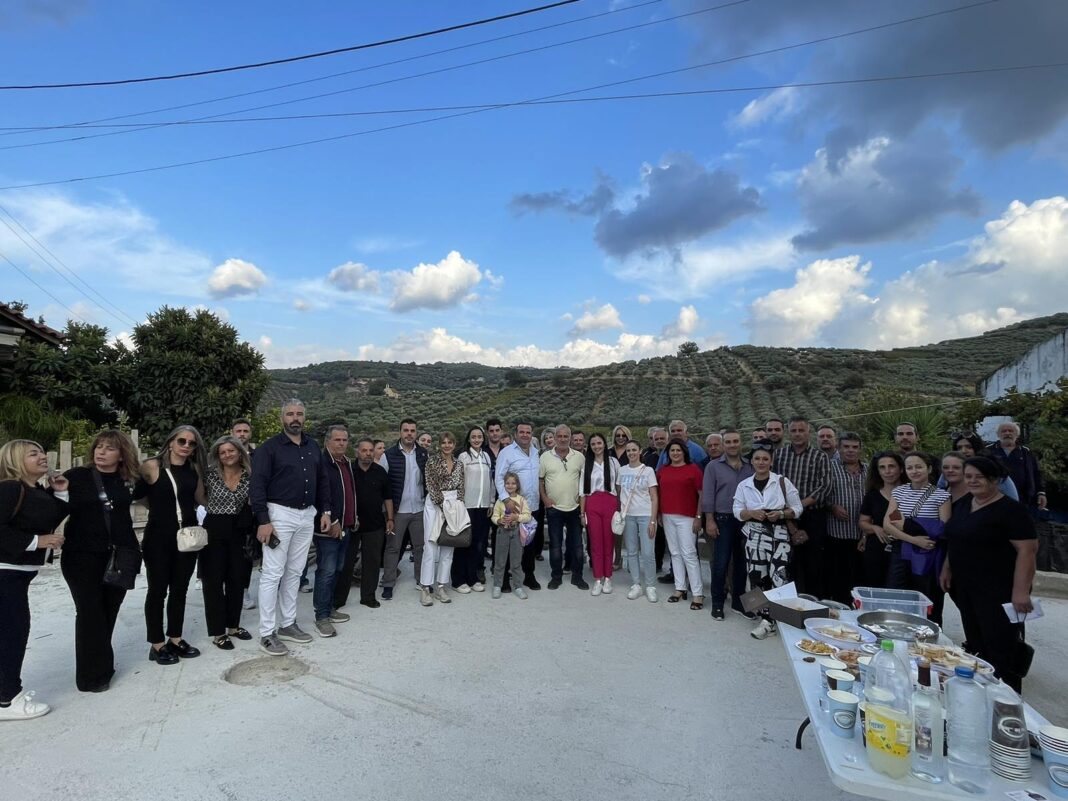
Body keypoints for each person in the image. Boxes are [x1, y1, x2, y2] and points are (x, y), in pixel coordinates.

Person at [940, 456, 1037, 693]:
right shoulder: (964, 504)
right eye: (969, 476)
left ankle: (1005, 698)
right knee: (976, 642)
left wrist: (1020, 591)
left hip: (998, 590)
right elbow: (956, 538)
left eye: (979, 477)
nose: (973, 481)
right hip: (966, 586)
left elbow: (1027, 550)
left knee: (1001, 647)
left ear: (995, 479)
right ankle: (980, 692)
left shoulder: (1011, 510)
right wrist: (947, 567)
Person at [250, 399, 332, 656]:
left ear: (304, 418)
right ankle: (266, 633)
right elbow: (257, 486)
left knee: (295, 573)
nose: (295, 418)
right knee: (273, 574)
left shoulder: (312, 447)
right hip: (279, 514)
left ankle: (287, 624)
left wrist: (326, 511)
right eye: (290, 414)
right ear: (282, 418)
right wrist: (264, 520)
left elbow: (322, 481)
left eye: (299, 414)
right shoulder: (269, 448)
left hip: (307, 515)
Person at [61, 430, 139, 692]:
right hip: (81, 555)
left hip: (121, 553)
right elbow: (52, 507)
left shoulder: (128, 479)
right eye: (98, 446)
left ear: (122, 454)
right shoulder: (76, 477)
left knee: (108, 611)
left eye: (109, 448)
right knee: (89, 612)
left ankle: (102, 666)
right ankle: (90, 678)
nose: (101, 452)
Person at [0, 440, 67, 719]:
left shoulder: (31, 489)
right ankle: (8, 700)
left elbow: (50, 513)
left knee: (11, 632)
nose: (42, 457)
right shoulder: (9, 488)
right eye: (33, 454)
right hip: (5, 572)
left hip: (16, 573)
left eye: (41, 452)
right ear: (16, 460)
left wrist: (61, 492)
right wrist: (35, 541)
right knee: (12, 634)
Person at [134, 425, 207, 665]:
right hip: (158, 537)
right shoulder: (152, 466)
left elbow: (199, 499)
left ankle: (175, 638)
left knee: (180, 589)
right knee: (157, 590)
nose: (186, 446)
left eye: (192, 443)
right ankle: (156, 644)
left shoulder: (193, 468)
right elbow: (139, 496)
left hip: (186, 537)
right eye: (182, 441)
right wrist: (160, 510)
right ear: (171, 442)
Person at [733, 441, 803, 640]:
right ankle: (764, 619)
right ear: (752, 462)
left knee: (780, 575)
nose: (761, 462)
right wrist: (750, 512)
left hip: (779, 534)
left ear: (771, 461)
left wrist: (780, 513)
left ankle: (780, 619)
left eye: (765, 459)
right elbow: (736, 511)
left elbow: (798, 508)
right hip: (753, 535)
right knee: (756, 575)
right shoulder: (744, 485)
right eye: (757, 459)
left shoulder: (782, 481)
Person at [883, 452, 951, 624]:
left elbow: (942, 528)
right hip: (902, 550)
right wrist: (915, 538)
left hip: (927, 552)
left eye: (919, 466)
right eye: (910, 467)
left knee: (926, 596)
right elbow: (888, 524)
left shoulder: (941, 495)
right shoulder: (899, 491)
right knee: (897, 592)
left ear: (928, 468)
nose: (914, 471)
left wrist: (904, 523)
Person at [200, 435, 254, 650]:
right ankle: (218, 632)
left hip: (239, 531)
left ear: (240, 452)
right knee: (213, 582)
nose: (227, 455)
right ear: (217, 456)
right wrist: (215, 506)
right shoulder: (210, 474)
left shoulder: (250, 475)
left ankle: (233, 625)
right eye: (222, 452)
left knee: (237, 579)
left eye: (231, 450)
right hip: (214, 529)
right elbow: (199, 496)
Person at [774, 416, 830, 599]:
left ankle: (812, 605)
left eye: (801, 430)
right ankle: (787, 604)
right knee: (787, 562)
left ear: (808, 432)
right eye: (794, 431)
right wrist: (789, 516)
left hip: (813, 516)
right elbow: (774, 485)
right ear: (788, 432)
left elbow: (825, 487)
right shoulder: (779, 456)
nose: (797, 434)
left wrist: (798, 506)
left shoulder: (820, 456)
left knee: (814, 564)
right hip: (784, 516)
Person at [702, 429, 755, 620]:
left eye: (736, 441)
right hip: (722, 520)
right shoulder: (713, 467)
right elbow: (707, 495)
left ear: (741, 443)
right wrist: (709, 520)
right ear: (724, 445)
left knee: (742, 564)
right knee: (720, 563)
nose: (732, 445)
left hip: (745, 520)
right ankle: (717, 603)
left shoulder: (750, 467)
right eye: (729, 442)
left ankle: (739, 603)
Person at [311, 425, 357, 638]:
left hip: (346, 526)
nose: (341, 443)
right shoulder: (322, 463)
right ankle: (321, 617)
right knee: (326, 571)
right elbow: (321, 495)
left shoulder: (346, 463)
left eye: (344, 440)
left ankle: (329, 609)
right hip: (329, 528)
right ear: (327, 441)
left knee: (337, 569)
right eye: (337, 440)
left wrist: (351, 519)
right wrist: (334, 520)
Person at [656, 438, 705, 610]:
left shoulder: (694, 470)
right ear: (667, 454)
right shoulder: (663, 470)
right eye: (672, 451)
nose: (675, 453)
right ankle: (680, 588)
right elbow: (659, 494)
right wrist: (659, 514)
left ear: (684, 452)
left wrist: (699, 516)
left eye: (678, 450)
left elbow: (701, 494)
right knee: (675, 553)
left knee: (689, 554)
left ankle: (698, 593)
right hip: (668, 516)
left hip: (687, 517)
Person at [383, 419, 428, 599]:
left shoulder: (423, 454)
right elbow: (383, 485)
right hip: (398, 512)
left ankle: (421, 580)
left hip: (419, 510)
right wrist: (388, 515)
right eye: (406, 430)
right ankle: (388, 583)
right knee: (392, 548)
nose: (409, 433)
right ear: (400, 432)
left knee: (420, 548)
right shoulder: (389, 455)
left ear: (416, 433)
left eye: (412, 430)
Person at [420, 432, 465, 606]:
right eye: (443, 442)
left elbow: (461, 486)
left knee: (449, 546)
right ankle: (425, 587)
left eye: (450, 442)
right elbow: (430, 484)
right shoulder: (432, 461)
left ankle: (441, 586)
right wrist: (442, 505)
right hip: (435, 505)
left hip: (454, 505)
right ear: (439, 445)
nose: (447, 445)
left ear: (454, 444)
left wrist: (458, 506)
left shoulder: (459, 464)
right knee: (430, 546)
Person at [495, 423, 541, 591]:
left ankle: (529, 576)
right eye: (521, 432)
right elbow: (499, 477)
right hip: (512, 504)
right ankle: (505, 579)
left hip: (531, 506)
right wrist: (506, 500)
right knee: (508, 543)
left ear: (532, 434)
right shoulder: (506, 453)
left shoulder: (536, 452)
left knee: (528, 542)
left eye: (528, 432)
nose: (525, 435)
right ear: (515, 434)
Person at [540, 424, 586, 591]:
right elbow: (541, 480)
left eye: (566, 436)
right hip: (554, 508)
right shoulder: (545, 457)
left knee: (577, 545)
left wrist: (582, 507)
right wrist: (544, 498)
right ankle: (556, 577)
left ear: (570, 437)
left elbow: (583, 483)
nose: (562, 439)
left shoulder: (579, 457)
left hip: (574, 508)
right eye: (559, 436)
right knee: (555, 544)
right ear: (555, 437)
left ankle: (577, 576)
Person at [825, 432, 867, 605]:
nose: (850, 451)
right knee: (838, 577)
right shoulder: (829, 467)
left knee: (860, 577)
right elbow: (821, 494)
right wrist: (832, 506)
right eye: (846, 447)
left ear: (860, 449)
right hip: (837, 533)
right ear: (839, 448)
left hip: (863, 534)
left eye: (854, 447)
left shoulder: (869, 469)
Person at [617, 439, 659, 602]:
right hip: (628, 516)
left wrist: (653, 520)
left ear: (640, 451)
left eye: (634, 450)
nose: (631, 453)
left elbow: (654, 497)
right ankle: (636, 584)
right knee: (632, 552)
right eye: (628, 451)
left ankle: (650, 585)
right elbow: (620, 492)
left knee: (648, 552)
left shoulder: (648, 471)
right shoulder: (622, 470)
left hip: (645, 515)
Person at [352, 438, 391, 609]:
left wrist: (390, 519)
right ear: (357, 452)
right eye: (364, 450)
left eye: (370, 450)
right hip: (351, 524)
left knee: (372, 562)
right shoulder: (348, 470)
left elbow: (387, 497)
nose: (367, 453)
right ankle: (338, 599)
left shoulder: (381, 472)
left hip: (375, 524)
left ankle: (368, 597)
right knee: (345, 563)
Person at [454, 426, 493, 593]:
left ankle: (472, 578)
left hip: (483, 506)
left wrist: (491, 502)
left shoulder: (486, 456)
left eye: (479, 437)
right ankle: (458, 580)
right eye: (473, 437)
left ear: (483, 439)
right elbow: (458, 481)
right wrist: (459, 503)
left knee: (478, 544)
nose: (477, 439)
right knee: (463, 543)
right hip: (467, 506)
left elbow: (490, 481)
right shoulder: (463, 457)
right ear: (468, 439)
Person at [857, 452, 905, 589]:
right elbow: (863, 521)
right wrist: (875, 528)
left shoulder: (911, 493)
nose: (887, 471)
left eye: (892, 466)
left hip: (905, 549)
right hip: (877, 549)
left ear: (901, 469)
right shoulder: (872, 496)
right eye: (882, 467)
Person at [580, 433, 619, 596]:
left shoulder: (613, 462)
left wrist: (619, 508)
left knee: (608, 541)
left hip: (610, 501)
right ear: (590, 447)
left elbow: (618, 485)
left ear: (605, 443)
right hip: (592, 503)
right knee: (595, 542)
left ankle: (608, 577)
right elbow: (582, 491)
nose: (597, 446)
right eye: (593, 444)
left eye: (599, 443)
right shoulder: (586, 464)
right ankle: (597, 578)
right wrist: (582, 513)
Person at [490, 472, 532, 600]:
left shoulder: (521, 500)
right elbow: (494, 516)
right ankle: (497, 585)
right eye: (507, 483)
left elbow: (528, 516)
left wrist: (517, 517)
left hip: (516, 532)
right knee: (500, 560)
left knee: (516, 561)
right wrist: (498, 521)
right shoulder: (500, 500)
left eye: (513, 483)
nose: (510, 485)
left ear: (517, 485)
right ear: (504, 485)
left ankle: (518, 586)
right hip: (502, 532)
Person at [989, 421, 1047, 510]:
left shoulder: (1026, 452)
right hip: (995, 499)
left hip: (1023, 500)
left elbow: (1037, 473)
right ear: (998, 434)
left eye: (1010, 431)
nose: (1007, 433)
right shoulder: (988, 451)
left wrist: (1041, 493)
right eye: (1003, 431)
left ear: (1017, 434)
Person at [940, 434, 1018, 499]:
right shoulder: (950, 471)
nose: (963, 451)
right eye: (959, 448)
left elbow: (1014, 500)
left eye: (969, 447)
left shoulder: (994, 471)